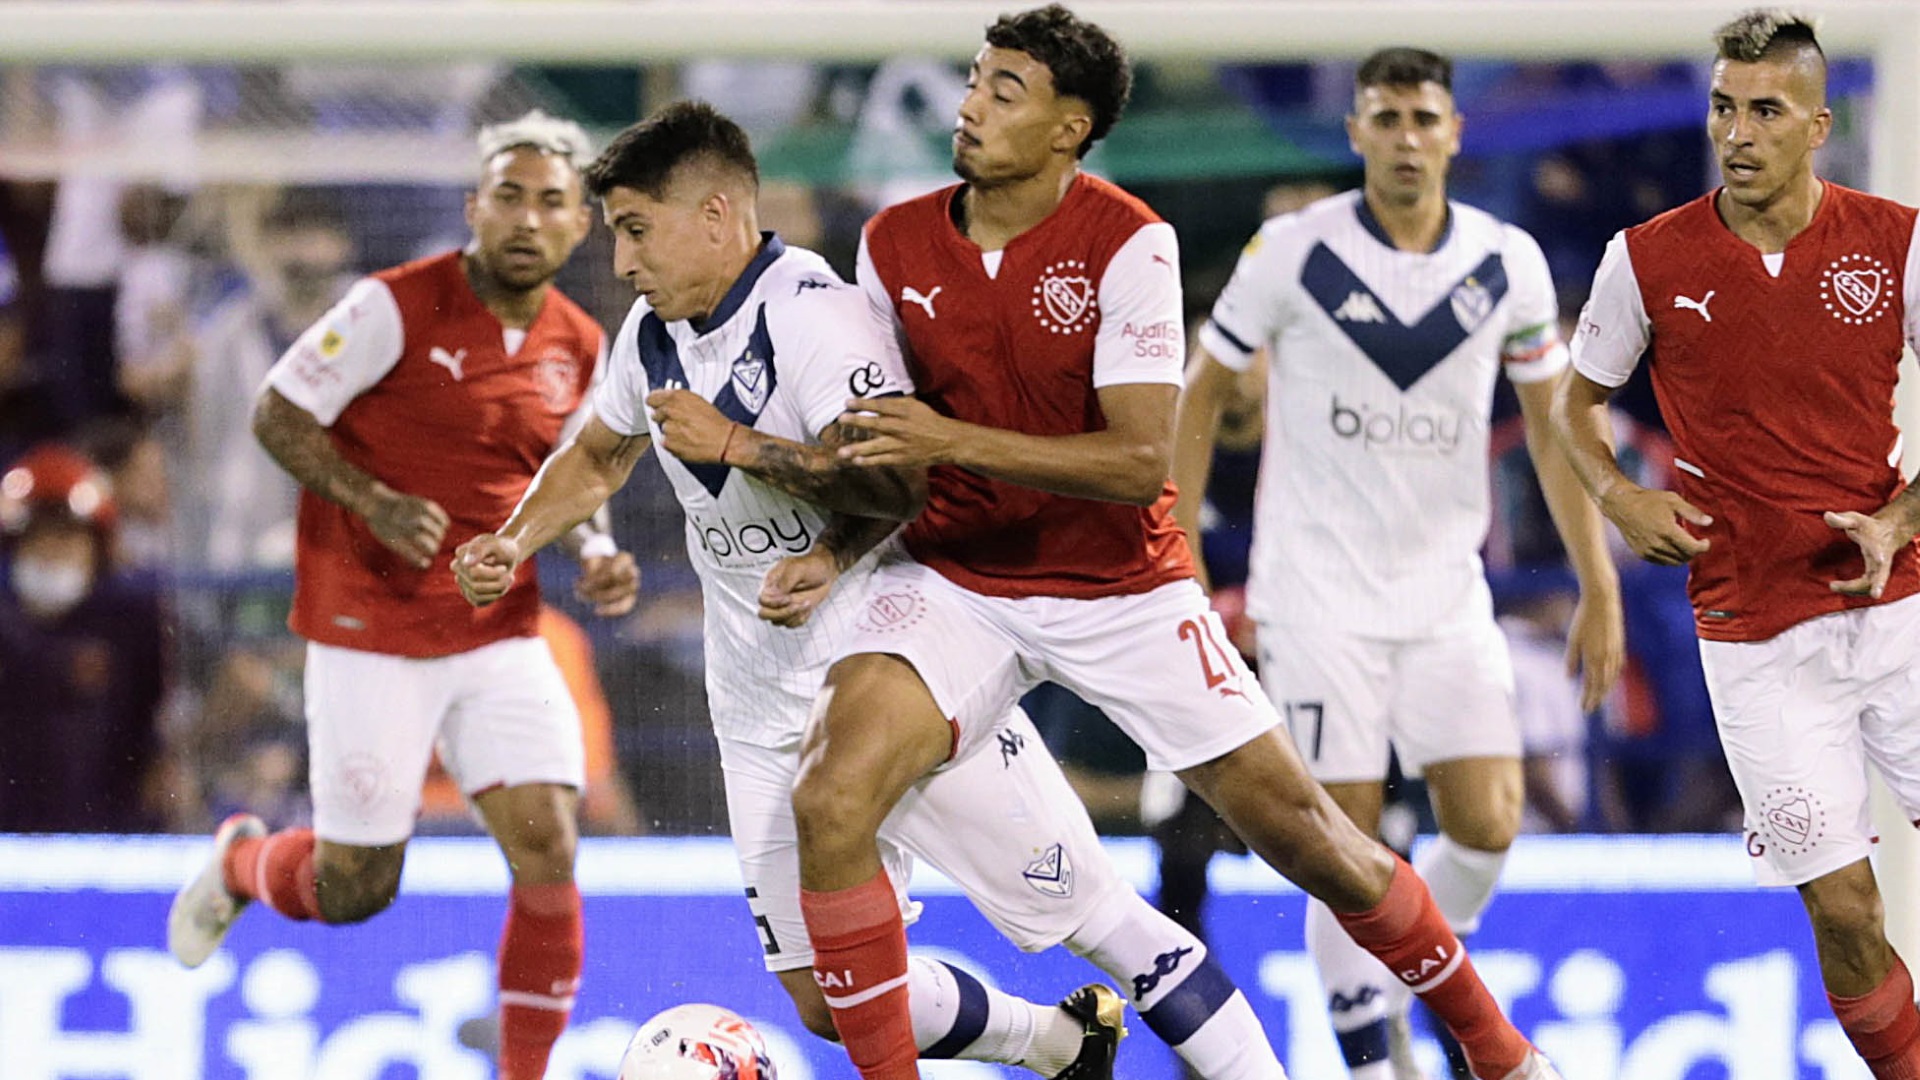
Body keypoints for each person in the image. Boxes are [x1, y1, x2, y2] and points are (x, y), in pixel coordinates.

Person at [794, 7, 1562, 1080]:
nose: (969, 105)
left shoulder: (1128, 240)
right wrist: (828, 529)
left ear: (1070, 129)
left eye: (1003, 90)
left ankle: (1499, 1051)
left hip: (1122, 586)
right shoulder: (894, 242)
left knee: (1315, 844)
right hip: (960, 577)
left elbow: (1138, 460)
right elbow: (890, 441)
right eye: (976, 79)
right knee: (830, 795)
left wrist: (950, 437)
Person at [454, 99, 1286, 1080]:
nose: (622, 261)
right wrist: (512, 542)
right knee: (822, 998)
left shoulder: (816, 314)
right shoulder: (649, 337)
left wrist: (741, 449)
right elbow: (596, 457)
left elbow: (899, 482)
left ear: (717, 216)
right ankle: (1058, 1043)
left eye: (636, 231)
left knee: (1104, 923)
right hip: (759, 702)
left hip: (896, 675)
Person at [1171, 47, 1624, 1080]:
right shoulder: (1292, 252)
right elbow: (1199, 396)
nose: (1407, 137)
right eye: (1387, 117)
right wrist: (1183, 563)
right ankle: (1376, 1062)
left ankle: (1397, 976)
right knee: (1345, 847)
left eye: (1425, 117)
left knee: (1489, 825)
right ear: (1357, 133)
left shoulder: (1506, 261)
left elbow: (1553, 429)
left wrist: (1598, 580)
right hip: (1316, 599)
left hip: (1444, 597)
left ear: (1455, 132)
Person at [165, 109, 640, 1080]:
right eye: (508, 195)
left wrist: (595, 547)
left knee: (551, 842)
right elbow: (277, 411)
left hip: (499, 632)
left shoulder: (582, 342)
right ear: (474, 207)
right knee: (356, 889)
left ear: (580, 226)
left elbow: (566, 473)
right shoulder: (392, 307)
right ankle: (242, 864)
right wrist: (370, 499)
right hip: (368, 630)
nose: (527, 217)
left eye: (552, 201)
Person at [1552, 11, 1920, 1077]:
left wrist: (1901, 517)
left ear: (1818, 125)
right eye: (1725, 106)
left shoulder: (1894, 240)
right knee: (1845, 911)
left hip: (1897, 609)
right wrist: (1619, 496)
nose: (1739, 132)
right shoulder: (1647, 259)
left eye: (1767, 109)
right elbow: (1573, 408)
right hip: (1753, 636)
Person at [0, 443, 170, 832]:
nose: (49, 552)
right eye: (36, 538)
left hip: (109, 842)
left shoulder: (135, 624)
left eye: (64, 538)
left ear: (97, 550)